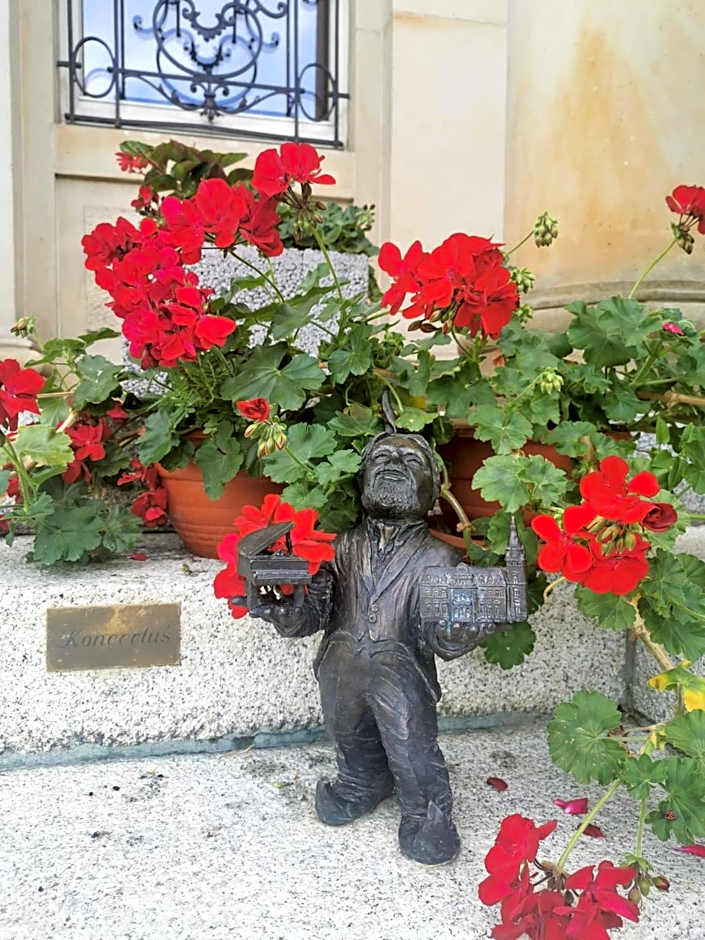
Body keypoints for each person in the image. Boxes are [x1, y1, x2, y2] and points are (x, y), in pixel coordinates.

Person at [245, 432, 503, 865]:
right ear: (362, 478)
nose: (393, 465)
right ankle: (361, 782)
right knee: (346, 731)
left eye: (410, 461)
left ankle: (426, 811)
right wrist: (285, 611)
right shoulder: (340, 547)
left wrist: (461, 632)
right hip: (340, 664)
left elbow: (441, 634)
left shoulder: (439, 559)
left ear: (433, 487)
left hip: (400, 671)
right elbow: (314, 612)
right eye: (381, 458)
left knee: (410, 743)